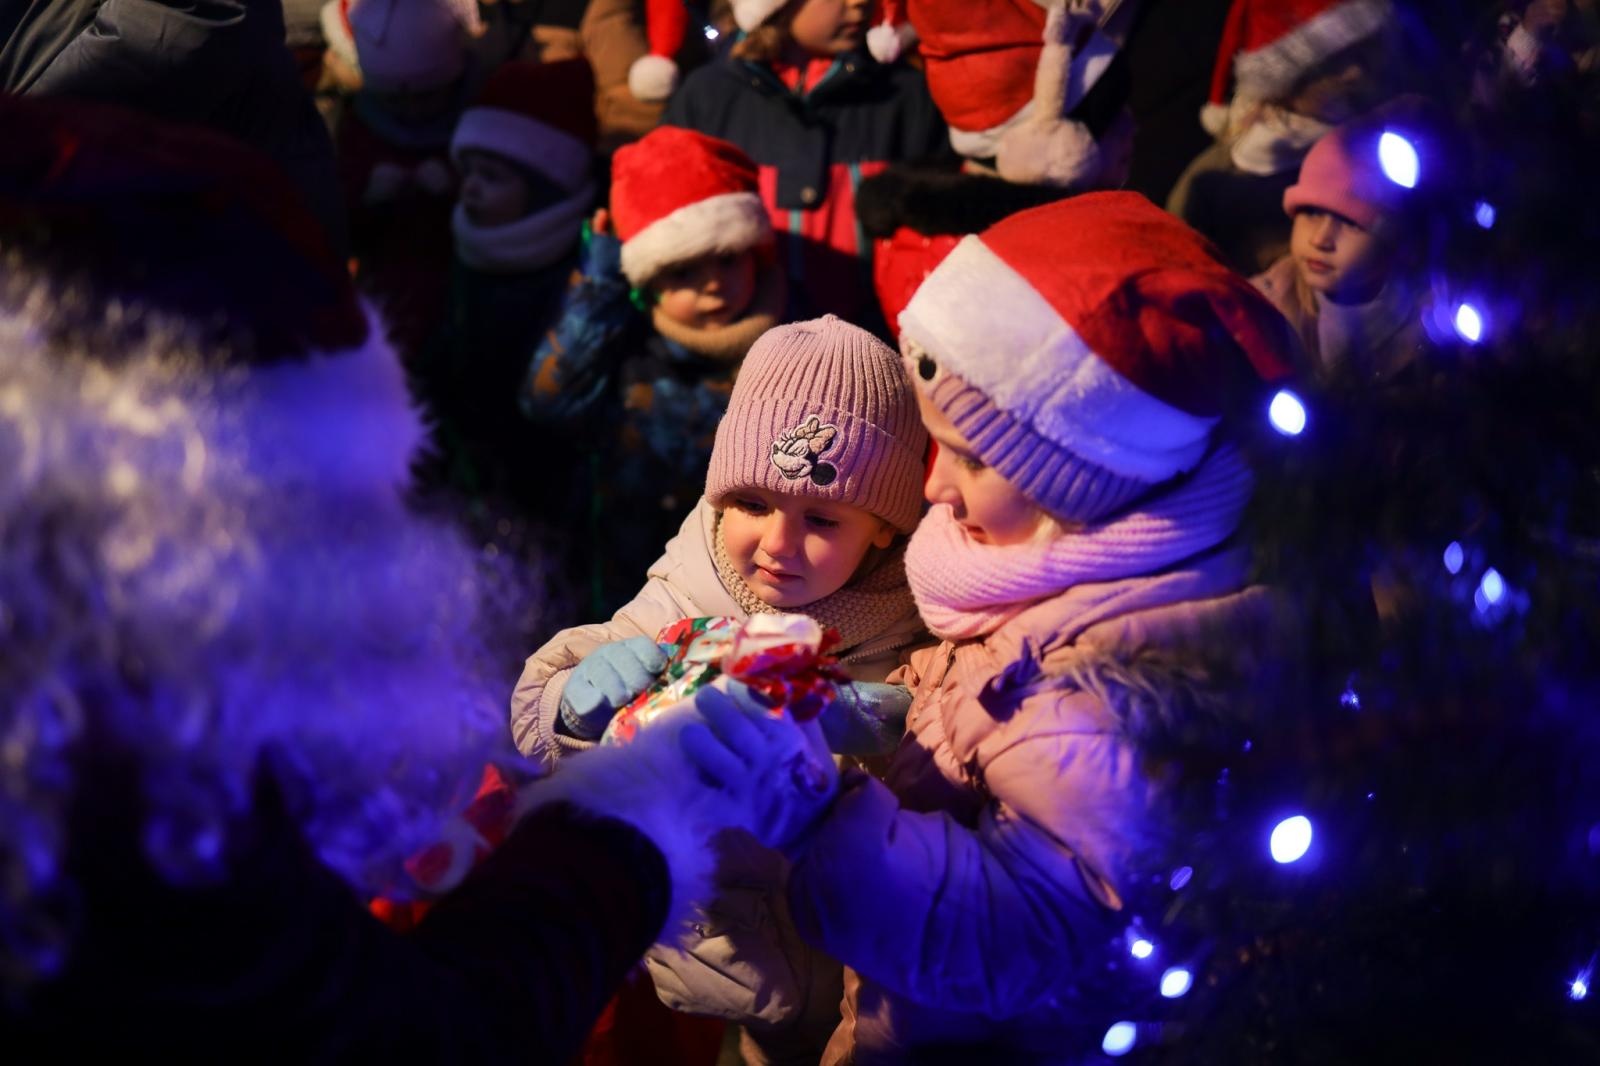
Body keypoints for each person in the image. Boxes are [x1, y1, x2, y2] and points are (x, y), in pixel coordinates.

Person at [0, 89, 835, 1062]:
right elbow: (416, 1036)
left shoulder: (99, 715)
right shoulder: (130, 807)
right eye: (319, 515)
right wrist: (629, 815)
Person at [706, 192, 1300, 1062]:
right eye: (937, 446)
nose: (935, 487)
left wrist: (810, 810)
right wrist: (861, 710)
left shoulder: (1109, 685)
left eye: (974, 458)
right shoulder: (1045, 573)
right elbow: (982, 711)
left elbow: (1016, 932)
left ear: (1081, 480)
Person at [512, 315, 930, 1062]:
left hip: (860, 981)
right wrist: (574, 706)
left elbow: (946, 735)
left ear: (884, 530)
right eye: (752, 504)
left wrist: (863, 723)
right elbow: (539, 708)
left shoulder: (915, 620)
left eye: (822, 517)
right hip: (717, 957)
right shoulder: (691, 589)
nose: (776, 543)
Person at [523, 126, 790, 612]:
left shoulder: (791, 349)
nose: (713, 285)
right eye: (684, 272)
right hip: (621, 590)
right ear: (649, 280)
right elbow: (548, 398)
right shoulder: (626, 344)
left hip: (743, 597)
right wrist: (602, 280)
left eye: (728, 260)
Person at [662, 0, 949, 330]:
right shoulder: (707, 98)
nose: (859, 2)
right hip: (744, 358)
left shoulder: (906, 96)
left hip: (875, 345)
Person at [859, 0, 1139, 332]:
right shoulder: (1032, 271)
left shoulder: (922, 241)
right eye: (1106, 117)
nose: (1131, 127)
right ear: (1050, 141)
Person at [416, 58, 599, 513]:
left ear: (543, 190)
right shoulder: (462, 252)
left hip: (549, 479)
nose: (470, 189)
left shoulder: (577, 268)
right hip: (466, 467)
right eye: (469, 172)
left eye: (493, 177)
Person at [1167, 0, 1400, 273]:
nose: (1354, 74)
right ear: (1286, 80)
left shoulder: (1379, 152)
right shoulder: (1221, 178)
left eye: (1360, 55)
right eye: (1332, 63)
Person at [1251, 107, 1429, 383]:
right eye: (1311, 212)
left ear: (1394, 242)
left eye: (1350, 223)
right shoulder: (1269, 302)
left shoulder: (1424, 309)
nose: (1320, 239)